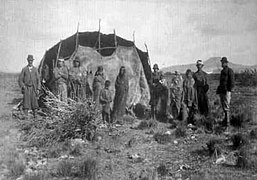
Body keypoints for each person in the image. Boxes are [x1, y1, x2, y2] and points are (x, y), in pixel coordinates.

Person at [216, 57, 235, 129]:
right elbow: (221, 82)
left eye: (223, 62)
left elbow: (232, 82)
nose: (222, 64)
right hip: (222, 91)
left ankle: (227, 123)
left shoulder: (230, 71)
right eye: (222, 62)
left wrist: (229, 90)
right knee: (224, 106)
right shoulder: (222, 71)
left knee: (226, 107)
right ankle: (225, 121)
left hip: (226, 91)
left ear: (226, 63)